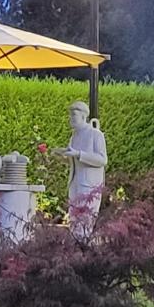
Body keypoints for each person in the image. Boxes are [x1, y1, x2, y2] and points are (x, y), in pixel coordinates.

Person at [54, 101, 107, 239]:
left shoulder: (96, 134)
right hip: (75, 182)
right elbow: (74, 159)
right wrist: (61, 155)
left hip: (89, 185)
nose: (70, 118)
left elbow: (102, 160)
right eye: (70, 115)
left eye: (74, 115)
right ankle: (75, 249)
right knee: (74, 219)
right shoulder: (74, 136)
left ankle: (83, 249)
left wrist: (78, 154)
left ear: (84, 117)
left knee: (85, 221)